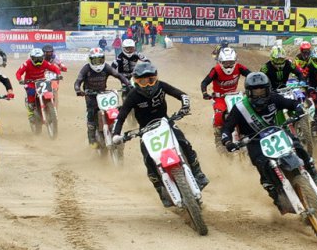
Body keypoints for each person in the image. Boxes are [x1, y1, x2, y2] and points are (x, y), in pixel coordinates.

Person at [221, 72, 317, 209]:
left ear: (268, 89)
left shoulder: (274, 98)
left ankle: (315, 176)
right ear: (248, 92)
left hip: (277, 132)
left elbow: (292, 103)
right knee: (262, 166)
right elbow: (226, 128)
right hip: (254, 141)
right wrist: (228, 142)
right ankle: (277, 196)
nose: (259, 95)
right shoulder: (240, 108)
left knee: (298, 147)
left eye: (262, 91)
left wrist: (298, 109)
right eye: (255, 92)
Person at [111, 62, 208, 207]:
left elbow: (181, 94)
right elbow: (121, 116)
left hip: (165, 122)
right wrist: (116, 134)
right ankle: (161, 190)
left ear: (156, 78)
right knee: (148, 161)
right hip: (145, 130)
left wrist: (185, 106)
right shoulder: (133, 95)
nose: (148, 85)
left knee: (184, 143)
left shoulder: (162, 86)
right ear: (136, 82)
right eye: (143, 82)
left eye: (151, 80)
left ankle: (198, 172)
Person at [74, 47, 129, 148]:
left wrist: (128, 84)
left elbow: (118, 75)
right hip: (90, 95)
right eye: (95, 61)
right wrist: (78, 89)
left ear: (103, 59)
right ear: (90, 60)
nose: (98, 63)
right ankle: (92, 139)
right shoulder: (86, 68)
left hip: (103, 93)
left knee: (113, 109)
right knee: (91, 113)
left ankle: (115, 129)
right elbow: (78, 81)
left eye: (100, 60)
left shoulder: (106, 67)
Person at [201, 47, 250, 133]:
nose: (228, 66)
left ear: (235, 61)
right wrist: (204, 93)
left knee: (246, 111)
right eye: (226, 63)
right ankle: (218, 132)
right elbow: (204, 82)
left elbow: (251, 75)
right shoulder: (216, 70)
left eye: (231, 62)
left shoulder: (239, 67)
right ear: (220, 62)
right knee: (219, 115)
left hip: (235, 95)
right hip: (220, 97)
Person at [15, 48, 62, 124]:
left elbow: (54, 68)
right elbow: (18, 73)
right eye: (35, 59)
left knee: (50, 93)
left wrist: (59, 74)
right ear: (31, 58)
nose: (38, 61)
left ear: (42, 57)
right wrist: (20, 80)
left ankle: (51, 107)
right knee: (31, 93)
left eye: (39, 59)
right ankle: (30, 113)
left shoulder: (45, 63)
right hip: (30, 82)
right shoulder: (27, 63)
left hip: (42, 81)